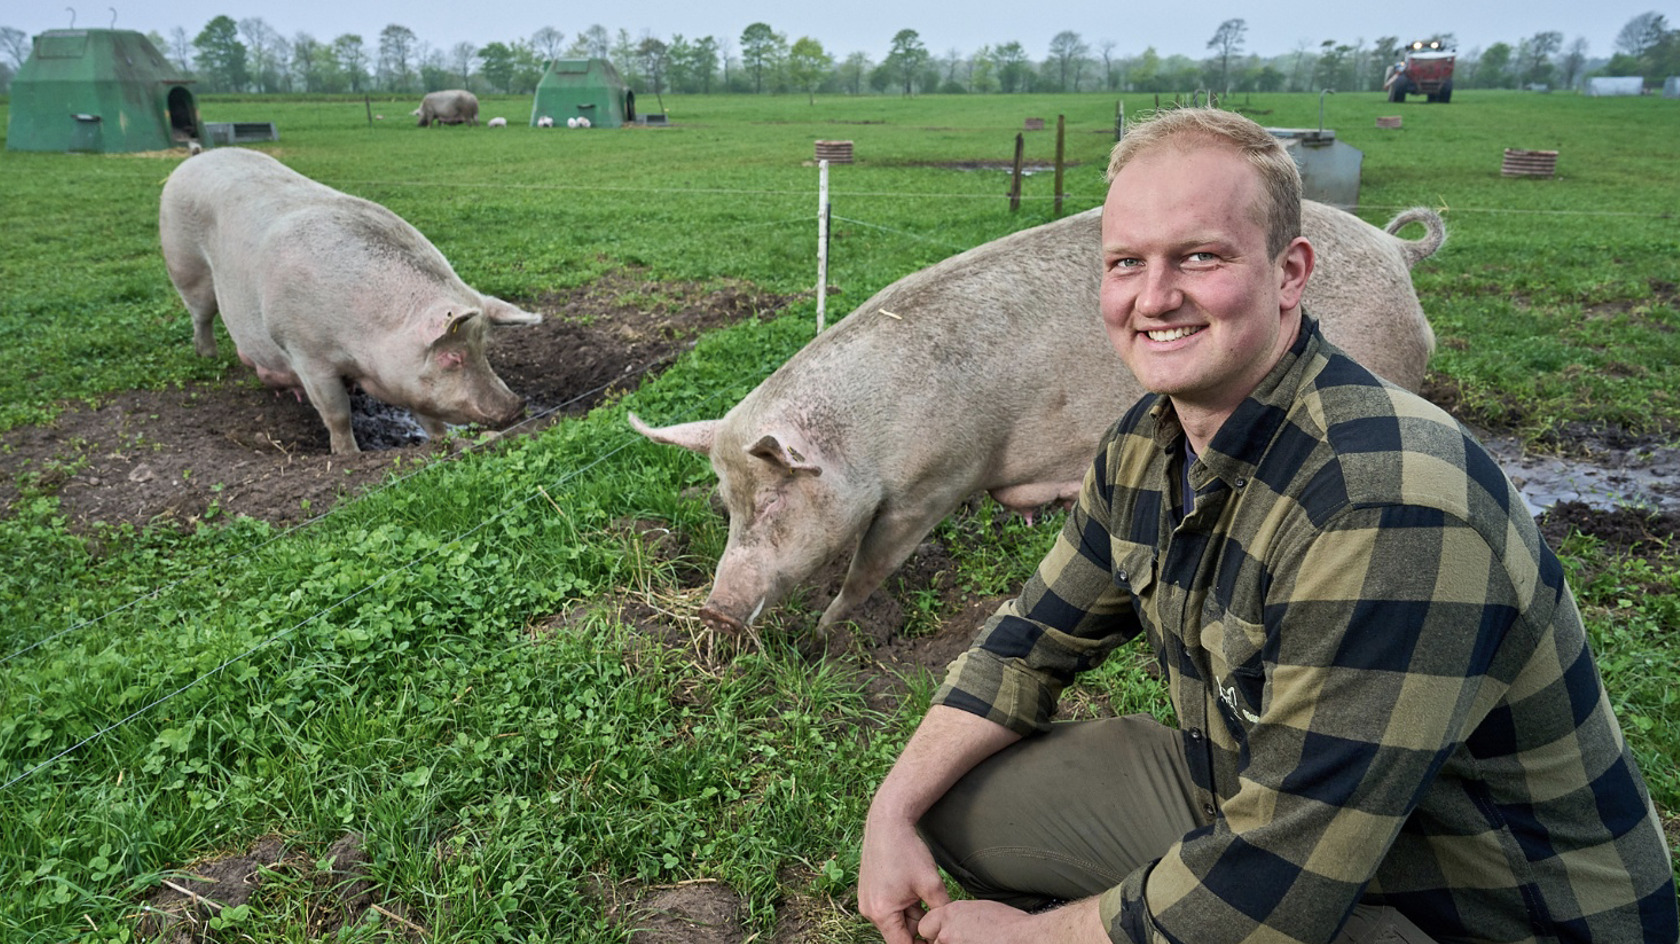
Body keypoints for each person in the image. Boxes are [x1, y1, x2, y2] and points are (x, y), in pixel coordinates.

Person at [857, 108, 1677, 944]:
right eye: (1126, 263)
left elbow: (1276, 883)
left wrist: (1028, 938)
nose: (1156, 296)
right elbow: (1026, 644)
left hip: (1477, 905)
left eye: (1200, 256)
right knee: (955, 802)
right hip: (1270, 797)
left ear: (1290, 273)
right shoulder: (1148, 442)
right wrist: (888, 814)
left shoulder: (1387, 506)